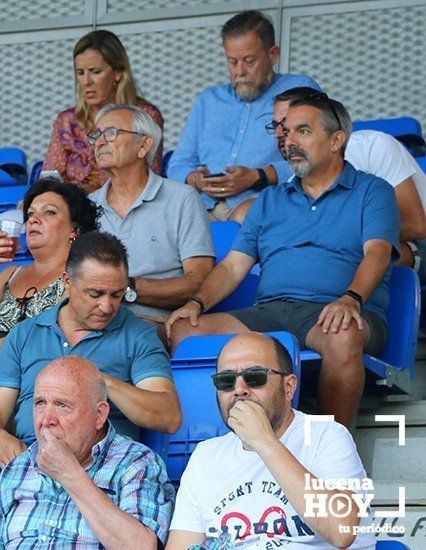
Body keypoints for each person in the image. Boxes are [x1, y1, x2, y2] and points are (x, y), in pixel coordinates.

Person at [166, 93, 399, 428]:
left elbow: (378, 252)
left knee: (343, 332)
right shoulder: (269, 200)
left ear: (336, 140)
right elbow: (233, 265)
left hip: (335, 310)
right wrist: (196, 302)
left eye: (301, 131)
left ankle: (331, 453)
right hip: (270, 312)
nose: (289, 141)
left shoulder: (373, 191)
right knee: (186, 330)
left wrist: (351, 299)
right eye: (285, 133)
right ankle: (216, 444)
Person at [0, 231, 180, 476]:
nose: (106, 306)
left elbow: (168, 416)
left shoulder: (138, 334)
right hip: (25, 453)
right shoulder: (24, 333)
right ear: (67, 283)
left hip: (98, 459)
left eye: (117, 294)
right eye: (95, 294)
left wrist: (98, 381)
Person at [166, 333, 376, 549]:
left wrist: (264, 442)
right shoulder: (205, 456)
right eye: (226, 380)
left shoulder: (327, 435)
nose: (239, 390)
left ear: (288, 387)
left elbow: (341, 531)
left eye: (255, 377)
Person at [0, 356, 175, 549]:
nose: (46, 419)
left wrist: (69, 474)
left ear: (99, 415)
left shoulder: (137, 463)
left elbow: (142, 547)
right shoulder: (15, 471)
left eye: (62, 405)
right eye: (40, 404)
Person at [166, 10, 319, 222]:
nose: (240, 71)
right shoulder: (208, 100)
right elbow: (178, 164)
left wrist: (258, 177)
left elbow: (321, 156)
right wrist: (196, 179)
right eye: (232, 62)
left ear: (273, 54)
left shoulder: (298, 89)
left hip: (264, 206)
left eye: (249, 61)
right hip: (200, 209)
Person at [266, 87, 426, 273]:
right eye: (276, 126)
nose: (279, 134)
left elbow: (416, 226)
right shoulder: (297, 180)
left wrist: (338, 238)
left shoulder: (374, 146)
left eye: (287, 124)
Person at [88, 103, 214, 327]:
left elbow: (199, 282)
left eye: (111, 133)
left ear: (144, 145)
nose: (100, 141)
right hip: (92, 322)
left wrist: (126, 287)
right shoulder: (87, 206)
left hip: (151, 324)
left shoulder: (182, 199)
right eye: (96, 134)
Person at [0, 178, 99, 354]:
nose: (34, 220)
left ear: (75, 229)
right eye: (30, 214)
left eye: (49, 212)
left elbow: (57, 339)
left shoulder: (79, 277)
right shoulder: (10, 274)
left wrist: (4, 347)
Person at [43, 30, 164, 192]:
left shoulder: (144, 115)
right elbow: (49, 177)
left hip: (124, 205)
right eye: (80, 73)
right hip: (72, 208)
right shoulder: (67, 120)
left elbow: (149, 178)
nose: (86, 82)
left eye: (95, 72)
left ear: (118, 73)